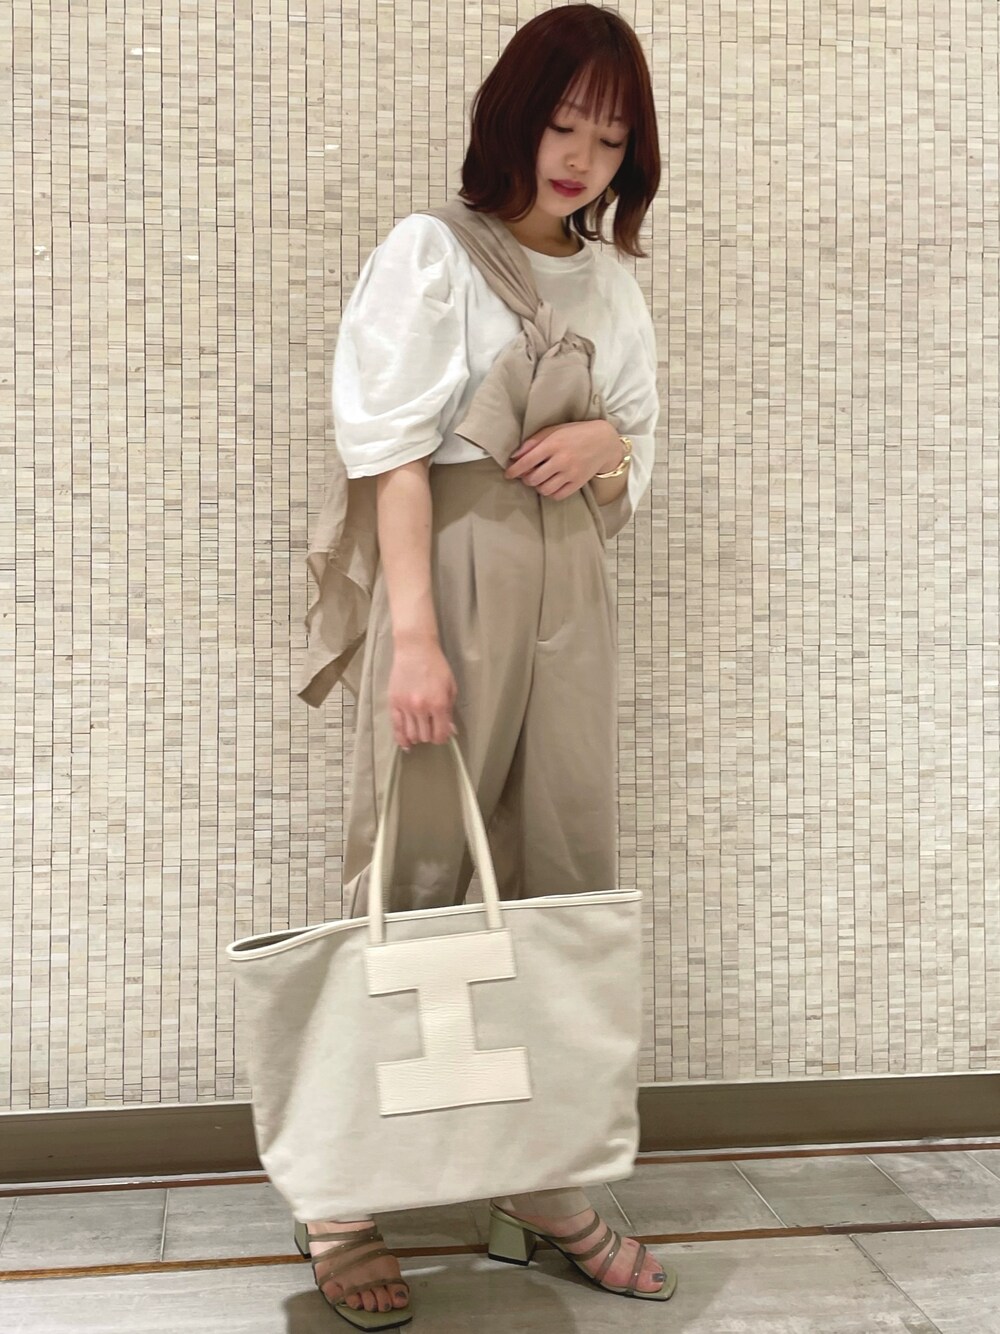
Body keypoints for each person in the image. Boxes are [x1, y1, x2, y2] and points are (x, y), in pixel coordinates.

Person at [295, 6, 675, 1327]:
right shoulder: (431, 251)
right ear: (513, 116)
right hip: (451, 576)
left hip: (571, 584)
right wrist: (413, 637)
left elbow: (636, 434)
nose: (581, 159)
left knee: (560, 875)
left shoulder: (606, 279)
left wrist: (608, 449)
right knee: (410, 874)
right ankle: (342, 1197)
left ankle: (545, 1183)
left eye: (611, 140)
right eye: (564, 125)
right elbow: (391, 453)